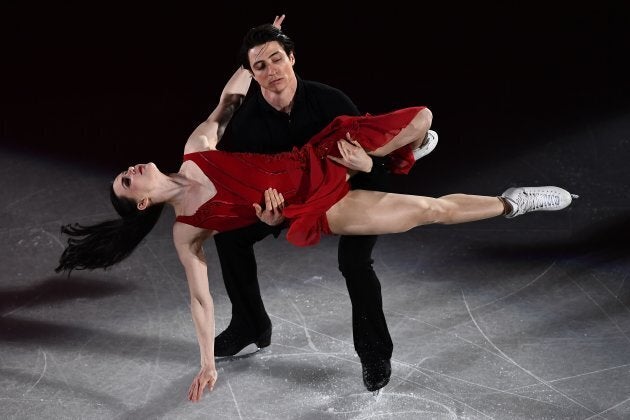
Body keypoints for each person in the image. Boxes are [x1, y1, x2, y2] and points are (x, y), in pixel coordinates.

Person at [55, 60, 577, 401]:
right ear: (142, 201)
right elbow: (198, 300)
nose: (131, 167)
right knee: (426, 211)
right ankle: (513, 203)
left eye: (275, 64)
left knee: (418, 125)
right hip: (314, 208)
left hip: (324, 157)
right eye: (127, 181)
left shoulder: (197, 150)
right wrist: (207, 363)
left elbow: (228, 102)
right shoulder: (187, 230)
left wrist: (252, 53)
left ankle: (405, 152)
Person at [209, 16, 438, 394]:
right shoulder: (248, 124)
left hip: (350, 192)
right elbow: (250, 185)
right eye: (260, 66)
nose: (272, 71)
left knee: (354, 261)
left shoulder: (330, 101)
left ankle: (374, 353)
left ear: (293, 58)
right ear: (251, 73)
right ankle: (250, 325)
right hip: (290, 201)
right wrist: (266, 215)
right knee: (228, 237)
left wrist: (371, 164)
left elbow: (374, 175)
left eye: (277, 59)